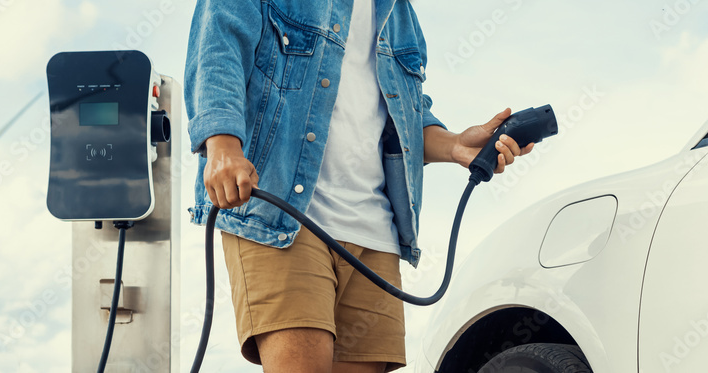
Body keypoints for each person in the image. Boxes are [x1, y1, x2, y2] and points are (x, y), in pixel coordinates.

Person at [184, 1, 534, 372]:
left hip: (374, 235)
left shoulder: (399, 14)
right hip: (282, 216)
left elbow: (407, 114)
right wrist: (222, 145)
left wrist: (456, 146)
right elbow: (218, 50)